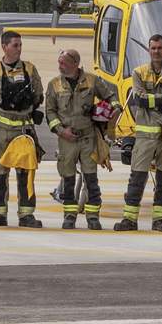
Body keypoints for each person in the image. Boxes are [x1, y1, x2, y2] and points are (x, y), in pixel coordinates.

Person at [117, 34, 162, 233]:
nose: (156, 51)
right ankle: (129, 219)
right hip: (145, 138)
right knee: (137, 179)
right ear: (149, 50)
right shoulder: (139, 72)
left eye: (159, 48)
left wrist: (152, 100)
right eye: (153, 48)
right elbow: (138, 100)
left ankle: (159, 220)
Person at [46, 48, 116, 230]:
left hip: (88, 138)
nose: (60, 65)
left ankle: (93, 217)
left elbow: (110, 96)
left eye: (63, 62)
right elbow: (50, 112)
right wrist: (61, 131)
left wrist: (113, 110)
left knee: (91, 179)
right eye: (59, 62)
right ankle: (69, 216)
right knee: (68, 179)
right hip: (66, 140)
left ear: (75, 63)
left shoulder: (92, 81)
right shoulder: (54, 84)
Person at [0, 29, 44, 227]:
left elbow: (38, 95)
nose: (19, 49)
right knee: (0, 174)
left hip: (24, 130)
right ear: (4, 47)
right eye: (15, 45)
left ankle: (26, 215)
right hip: (2, 130)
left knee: (25, 174)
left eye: (20, 45)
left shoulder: (30, 69)